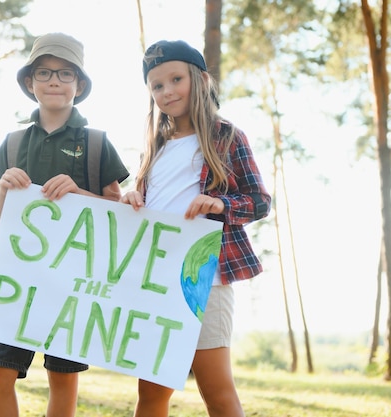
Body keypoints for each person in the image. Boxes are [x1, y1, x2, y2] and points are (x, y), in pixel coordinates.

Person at [120, 40, 271, 417]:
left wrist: (221, 204)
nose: (167, 91)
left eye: (175, 79)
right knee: (152, 395)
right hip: (155, 278)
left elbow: (259, 200)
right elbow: (148, 201)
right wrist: (130, 196)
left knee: (217, 392)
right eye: (157, 85)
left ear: (201, 80)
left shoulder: (226, 137)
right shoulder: (153, 147)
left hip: (206, 278)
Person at [0, 32, 130, 417]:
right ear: (30, 83)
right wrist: (3, 188)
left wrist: (81, 192)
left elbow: (117, 214)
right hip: (17, 278)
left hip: (74, 282)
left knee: (62, 378)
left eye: (65, 74)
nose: (53, 81)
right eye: (44, 72)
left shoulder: (97, 143)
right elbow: (1, 218)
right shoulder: (13, 142)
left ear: (79, 85)